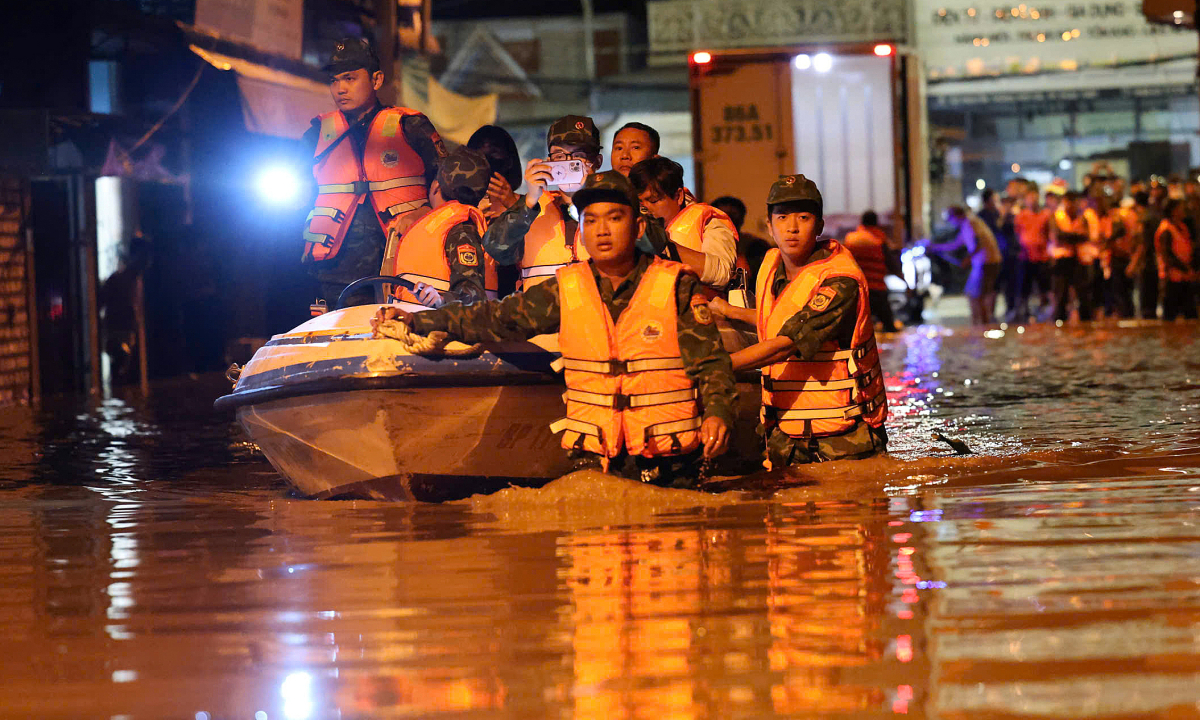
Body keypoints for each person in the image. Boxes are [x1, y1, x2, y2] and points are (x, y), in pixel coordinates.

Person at [372, 171, 736, 486]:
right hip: (595, 461)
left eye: (614, 218)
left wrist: (718, 412)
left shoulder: (674, 285)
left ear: (638, 226)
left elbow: (711, 363)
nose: (601, 231)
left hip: (668, 461)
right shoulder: (567, 288)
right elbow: (496, 319)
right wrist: (419, 319)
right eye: (591, 220)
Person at [708, 175, 888, 468]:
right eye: (782, 217)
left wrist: (713, 367)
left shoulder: (840, 280)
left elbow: (786, 343)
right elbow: (775, 318)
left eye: (803, 217)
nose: (791, 228)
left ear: (819, 226)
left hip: (843, 440)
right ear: (769, 225)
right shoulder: (771, 266)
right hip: (786, 436)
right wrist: (730, 311)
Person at [301, 37, 448, 307]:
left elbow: (449, 187)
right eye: (334, 81)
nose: (340, 89)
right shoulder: (316, 135)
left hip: (406, 261)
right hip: (335, 271)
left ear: (377, 80)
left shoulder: (412, 127)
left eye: (349, 78)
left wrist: (423, 212)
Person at [480, 115, 601, 290]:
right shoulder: (529, 211)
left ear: (597, 162)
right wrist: (529, 200)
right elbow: (495, 249)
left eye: (578, 156)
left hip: (593, 315)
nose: (568, 162)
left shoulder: (612, 210)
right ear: (549, 162)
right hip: (539, 316)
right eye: (560, 155)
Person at [390, 147, 496, 308]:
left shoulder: (462, 230)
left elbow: (473, 296)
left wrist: (440, 301)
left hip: (441, 328)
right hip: (417, 325)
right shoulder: (448, 226)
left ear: (436, 186)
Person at [629, 156, 738, 291]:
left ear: (679, 196)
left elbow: (722, 273)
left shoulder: (708, 221)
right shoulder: (631, 227)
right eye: (640, 204)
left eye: (653, 200)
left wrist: (665, 245)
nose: (646, 208)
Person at [927, 206, 1002, 325]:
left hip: (986, 261)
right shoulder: (967, 224)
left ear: (957, 215)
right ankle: (980, 323)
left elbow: (979, 243)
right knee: (974, 293)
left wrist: (968, 258)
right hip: (983, 262)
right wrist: (935, 247)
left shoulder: (971, 223)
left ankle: (983, 323)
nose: (950, 222)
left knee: (977, 295)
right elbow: (955, 244)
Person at [842, 211, 904, 331]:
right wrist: (905, 283)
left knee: (855, 329)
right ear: (876, 223)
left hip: (856, 290)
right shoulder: (879, 240)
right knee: (889, 328)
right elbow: (892, 264)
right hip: (877, 290)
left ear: (861, 223)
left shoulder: (850, 239)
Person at [1048, 191, 1096, 322]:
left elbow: (1086, 236)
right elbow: (1059, 236)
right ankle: (1060, 325)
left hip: (1079, 260)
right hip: (1061, 261)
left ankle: (1086, 326)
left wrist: (1069, 236)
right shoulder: (1057, 216)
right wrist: (1075, 236)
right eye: (1069, 201)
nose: (1072, 205)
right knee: (1061, 296)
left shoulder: (1083, 217)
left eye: (1074, 202)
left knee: (1084, 296)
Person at [712, 195, 773, 292]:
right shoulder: (701, 243)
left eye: (733, 215)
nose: (728, 220)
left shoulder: (757, 245)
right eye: (722, 215)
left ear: (742, 219)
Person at [1012, 188, 1052, 322]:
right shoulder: (1021, 216)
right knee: (1024, 286)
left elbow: (1050, 233)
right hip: (1026, 256)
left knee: (1043, 286)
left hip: (1042, 257)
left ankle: (1044, 310)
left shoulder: (1046, 214)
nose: (1033, 201)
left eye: (1035, 198)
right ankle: (1023, 312)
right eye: (1030, 198)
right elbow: (1017, 234)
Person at [466, 125, 522, 222]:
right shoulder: (462, 211)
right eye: (478, 158)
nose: (486, 165)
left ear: (509, 161)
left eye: (493, 154)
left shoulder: (531, 206)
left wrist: (514, 207)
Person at [1154, 199, 1198, 320]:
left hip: (1185, 277)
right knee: (1170, 317)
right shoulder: (1166, 230)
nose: (1183, 211)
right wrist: (1186, 269)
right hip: (1172, 278)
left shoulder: (1182, 227)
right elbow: (1167, 256)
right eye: (1180, 208)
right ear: (1173, 211)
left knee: (1191, 316)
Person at [1131, 190, 1161, 318]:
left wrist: (1133, 264)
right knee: (1152, 300)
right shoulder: (1155, 216)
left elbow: (1142, 244)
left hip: (1147, 264)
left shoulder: (1144, 219)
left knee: (1146, 302)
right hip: (1156, 262)